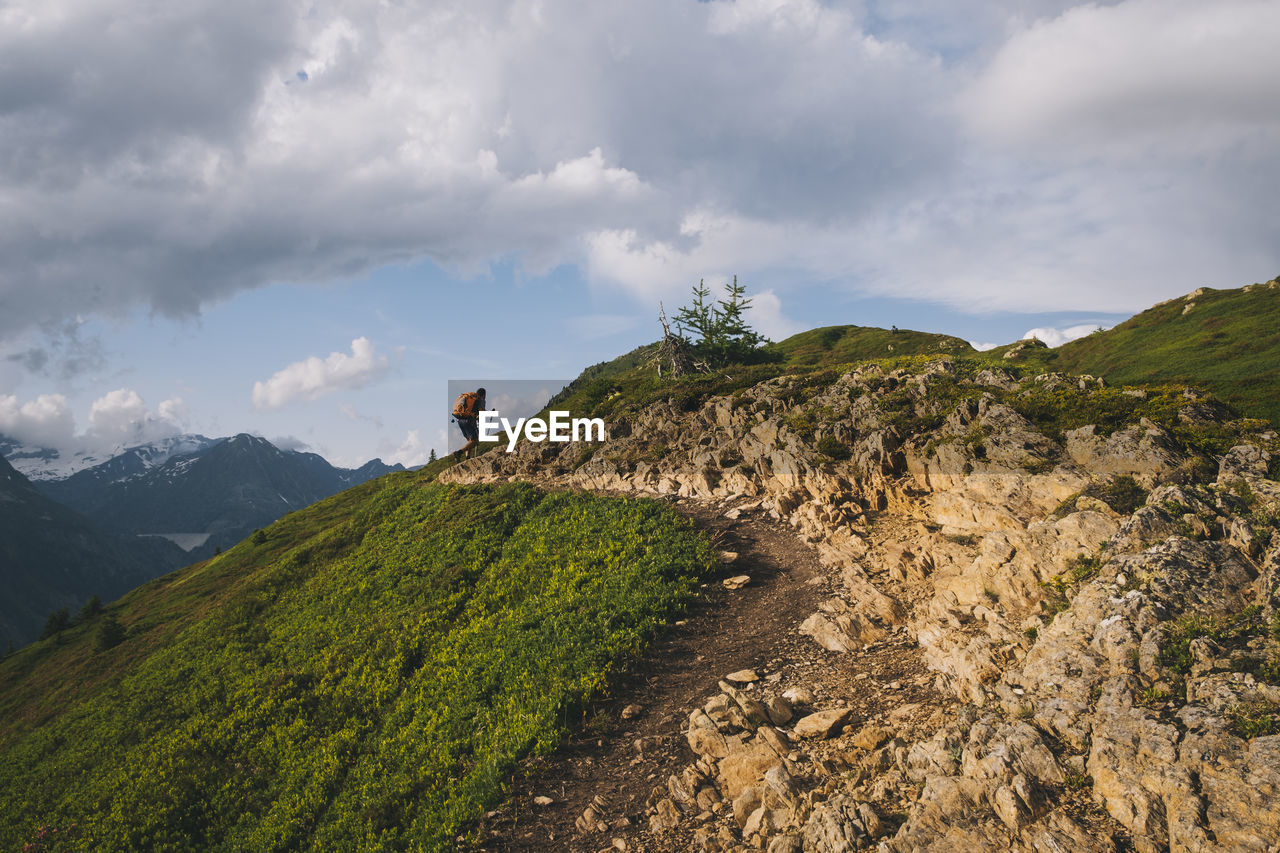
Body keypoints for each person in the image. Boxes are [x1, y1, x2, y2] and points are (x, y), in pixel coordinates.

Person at [451, 387, 486, 462]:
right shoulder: (480, 400)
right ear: (484, 395)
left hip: (460, 420)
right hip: (468, 420)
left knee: (470, 441)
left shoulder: (470, 397)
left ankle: (467, 458)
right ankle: (459, 453)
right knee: (475, 441)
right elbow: (481, 413)